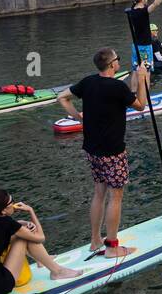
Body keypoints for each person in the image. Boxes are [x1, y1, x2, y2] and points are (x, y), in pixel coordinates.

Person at [57, 48, 147, 258]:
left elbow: (62, 97)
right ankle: (112, 248)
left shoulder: (88, 82)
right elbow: (141, 106)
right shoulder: (117, 87)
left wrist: (80, 119)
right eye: (118, 59)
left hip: (92, 149)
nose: (119, 63)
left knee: (99, 193)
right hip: (113, 152)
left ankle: (95, 240)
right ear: (112, 64)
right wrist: (141, 79)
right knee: (116, 197)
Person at [0, 190, 80, 294]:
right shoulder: (6, 223)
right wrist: (30, 211)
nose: (15, 204)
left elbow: (5, 230)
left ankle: (41, 260)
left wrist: (21, 224)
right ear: (3, 211)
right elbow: (40, 238)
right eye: (12, 202)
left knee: (20, 234)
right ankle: (57, 272)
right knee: (24, 238)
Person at [125, 0, 162, 69]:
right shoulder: (143, 12)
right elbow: (156, 3)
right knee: (146, 71)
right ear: (142, 0)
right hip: (145, 47)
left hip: (135, 46)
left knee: (136, 70)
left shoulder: (132, 9)